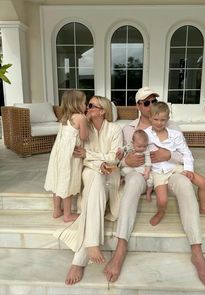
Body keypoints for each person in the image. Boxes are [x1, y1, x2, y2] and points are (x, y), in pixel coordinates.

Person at [104, 86, 205, 288]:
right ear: (138, 106)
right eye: (146, 102)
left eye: (154, 100)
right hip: (142, 173)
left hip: (168, 171)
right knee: (131, 184)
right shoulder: (128, 129)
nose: (151, 105)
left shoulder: (171, 126)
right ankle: (121, 247)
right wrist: (126, 163)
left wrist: (169, 155)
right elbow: (119, 159)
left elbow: (184, 155)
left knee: (184, 183)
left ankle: (197, 252)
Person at [54, 96, 123, 285]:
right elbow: (78, 156)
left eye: (92, 106)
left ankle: (80, 258)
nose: (88, 108)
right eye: (88, 105)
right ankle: (90, 245)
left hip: (111, 174)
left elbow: (114, 159)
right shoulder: (83, 127)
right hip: (91, 173)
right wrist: (98, 162)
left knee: (100, 178)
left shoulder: (115, 129)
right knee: (95, 177)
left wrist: (94, 158)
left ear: (102, 111)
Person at [145, 101, 205, 226]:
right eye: (156, 119)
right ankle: (160, 212)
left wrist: (189, 170)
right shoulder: (145, 134)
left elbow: (186, 153)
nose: (159, 123)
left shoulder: (175, 135)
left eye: (163, 120)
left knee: (204, 182)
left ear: (168, 119)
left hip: (175, 167)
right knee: (162, 201)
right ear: (150, 118)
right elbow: (136, 146)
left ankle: (203, 207)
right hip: (159, 171)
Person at [44, 90, 89, 222]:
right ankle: (68, 215)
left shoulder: (65, 117)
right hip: (70, 156)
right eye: (84, 103)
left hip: (58, 155)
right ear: (77, 104)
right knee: (67, 183)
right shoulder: (81, 118)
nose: (86, 106)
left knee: (58, 180)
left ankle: (57, 210)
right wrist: (88, 121)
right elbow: (84, 137)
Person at [117, 129, 153, 202]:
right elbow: (124, 148)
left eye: (144, 146)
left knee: (150, 180)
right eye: (139, 146)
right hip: (131, 168)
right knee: (123, 171)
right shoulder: (130, 146)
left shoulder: (146, 151)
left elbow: (148, 162)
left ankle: (148, 193)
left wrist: (147, 172)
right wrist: (120, 150)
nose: (142, 149)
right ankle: (122, 179)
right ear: (133, 143)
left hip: (141, 168)